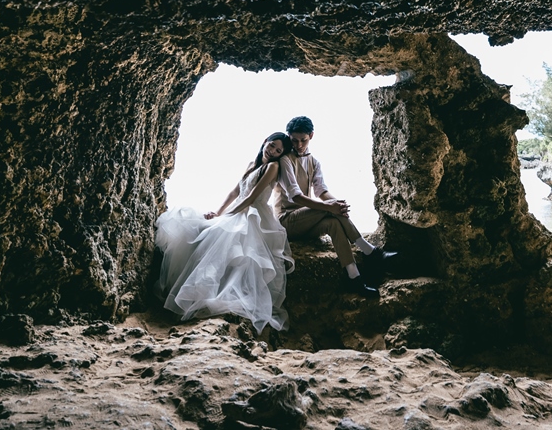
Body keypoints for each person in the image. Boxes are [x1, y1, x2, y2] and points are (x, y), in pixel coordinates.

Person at [154, 132, 295, 332]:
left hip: (252, 214)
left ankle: (212, 297)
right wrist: (218, 212)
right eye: (272, 145)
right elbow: (235, 192)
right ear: (265, 141)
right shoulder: (251, 165)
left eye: (278, 151)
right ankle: (197, 293)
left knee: (230, 246)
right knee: (199, 229)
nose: (272, 152)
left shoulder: (273, 167)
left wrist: (227, 216)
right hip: (237, 209)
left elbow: (251, 198)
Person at [272, 115, 396, 298]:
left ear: (311, 136)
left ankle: (354, 278)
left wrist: (338, 204)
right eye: (294, 140)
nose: (299, 145)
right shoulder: (285, 160)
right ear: (289, 137)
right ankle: (371, 252)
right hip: (286, 221)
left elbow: (322, 191)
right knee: (331, 208)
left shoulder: (314, 161)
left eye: (303, 140)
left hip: (306, 221)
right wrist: (331, 207)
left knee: (334, 222)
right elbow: (296, 197)